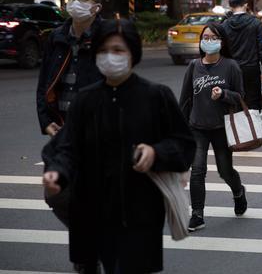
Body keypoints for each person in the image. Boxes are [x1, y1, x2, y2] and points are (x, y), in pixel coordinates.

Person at [42, 19, 195, 273]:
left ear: (133, 53)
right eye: (103, 51)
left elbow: (183, 143)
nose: (109, 57)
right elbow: (66, 147)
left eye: (118, 50)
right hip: (90, 211)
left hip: (139, 213)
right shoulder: (85, 100)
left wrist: (156, 152)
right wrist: (57, 173)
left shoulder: (156, 96)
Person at [38, 0, 105, 228]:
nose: (76, 2)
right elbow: (44, 84)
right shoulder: (57, 36)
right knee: (56, 194)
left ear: (96, 7)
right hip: (62, 131)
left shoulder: (109, 38)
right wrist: (46, 121)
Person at [179, 22, 247, 232]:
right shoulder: (193, 66)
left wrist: (224, 94)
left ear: (222, 42)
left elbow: (240, 97)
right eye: (205, 37)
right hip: (196, 127)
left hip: (221, 128)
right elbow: (185, 99)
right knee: (197, 171)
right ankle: (197, 214)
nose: (208, 41)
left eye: (213, 38)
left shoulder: (230, 66)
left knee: (225, 170)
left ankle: (238, 191)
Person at [222, 0, 262, 110]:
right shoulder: (255, 23)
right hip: (251, 68)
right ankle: (251, 127)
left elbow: (222, 49)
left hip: (231, 68)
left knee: (234, 101)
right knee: (252, 102)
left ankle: (236, 127)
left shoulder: (225, 24)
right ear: (246, 5)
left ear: (231, 6)